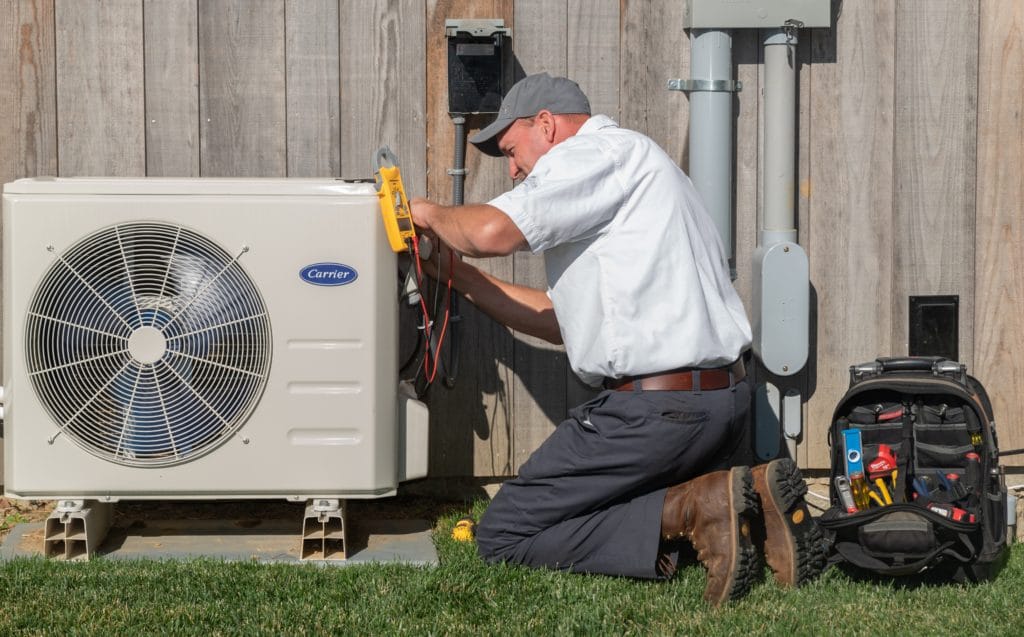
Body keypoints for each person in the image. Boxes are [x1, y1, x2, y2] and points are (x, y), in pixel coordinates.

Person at [410, 73, 824, 605]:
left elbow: (491, 233)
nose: (513, 172)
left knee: (505, 531)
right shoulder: (641, 167)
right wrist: (453, 273)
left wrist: (422, 212)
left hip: (659, 412)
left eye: (513, 152)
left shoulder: (592, 156)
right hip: (720, 404)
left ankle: (697, 509)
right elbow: (557, 320)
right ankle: (751, 504)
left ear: (546, 126)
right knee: (595, 506)